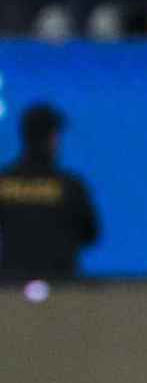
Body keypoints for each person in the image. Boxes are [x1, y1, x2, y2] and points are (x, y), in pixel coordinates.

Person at [0, 104, 99, 280]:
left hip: (11, 291)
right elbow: (91, 234)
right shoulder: (70, 186)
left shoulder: (4, 183)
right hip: (62, 290)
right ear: (51, 139)